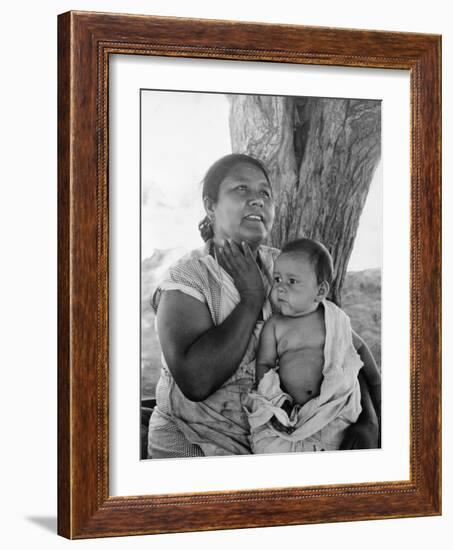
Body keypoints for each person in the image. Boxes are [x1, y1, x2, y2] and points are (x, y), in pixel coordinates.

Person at [147, 153, 379, 458]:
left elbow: (340, 346)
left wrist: (369, 421)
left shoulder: (285, 268)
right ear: (210, 205)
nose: (257, 199)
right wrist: (251, 297)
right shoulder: (188, 280)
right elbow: (196, 382)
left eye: (265, 193)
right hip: (197, 444)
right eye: (241, 189)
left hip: (285, 440)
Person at [246, 238, 381, 454]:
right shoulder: (275, 326)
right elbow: (264, 365)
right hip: (288, 415)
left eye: (292, 282)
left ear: (319, 292)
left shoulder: (333, 319)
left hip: (333, 412)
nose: (280, 288)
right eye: (277, 279)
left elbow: (360, 350)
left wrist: (376, 387)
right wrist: (274, 403)